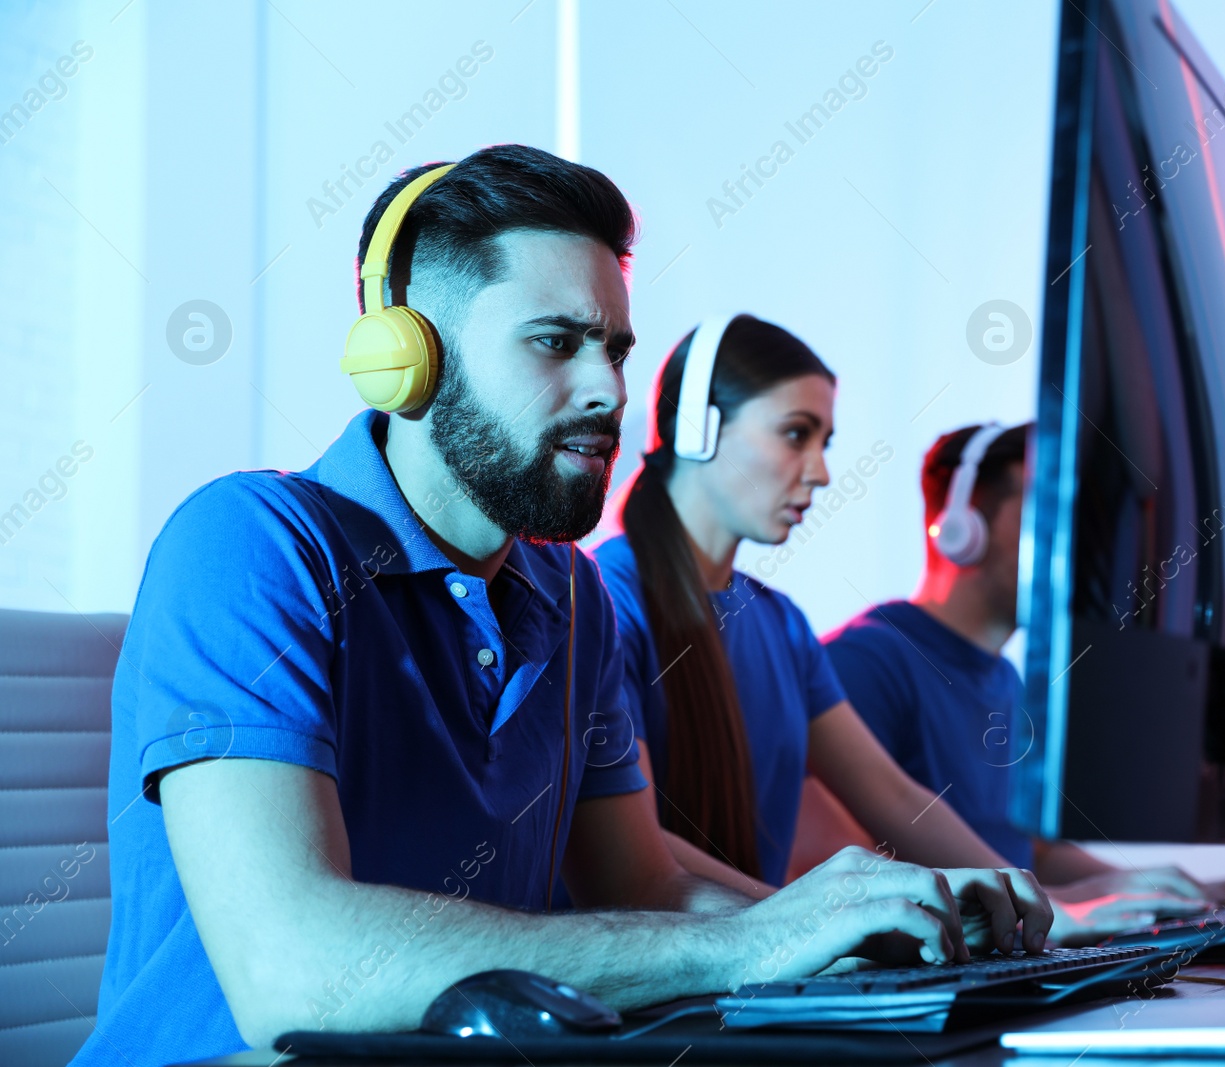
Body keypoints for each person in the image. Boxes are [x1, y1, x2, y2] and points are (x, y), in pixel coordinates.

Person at [75, 147, 1051, 1067]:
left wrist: (865, 923)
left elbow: (648, 886)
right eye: (556, 342)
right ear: (405, 354)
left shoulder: (571, 595)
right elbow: (297, 970)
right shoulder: (250, 544)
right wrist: (751, 943)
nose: (607, 389)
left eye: (616, 350)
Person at [591, 317, 1197, 940]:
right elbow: (636, 855)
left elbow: (894, 795)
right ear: (698, 429)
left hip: (747, 969)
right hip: (675, 978)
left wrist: (1034, 908)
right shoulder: (605, 600)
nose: (822, 472)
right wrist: (800, 923)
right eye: (796, 434)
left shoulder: (781, 624)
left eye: (824, 443)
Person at [819, 422, 1210, 929]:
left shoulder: (1009, 682)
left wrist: (1151, 889)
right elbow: (841, 873)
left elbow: (1034, 854)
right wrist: (1065, 907)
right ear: (962, 527)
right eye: (1046, 514)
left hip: (1007, 939)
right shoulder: (864, 662)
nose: (1074, 544)